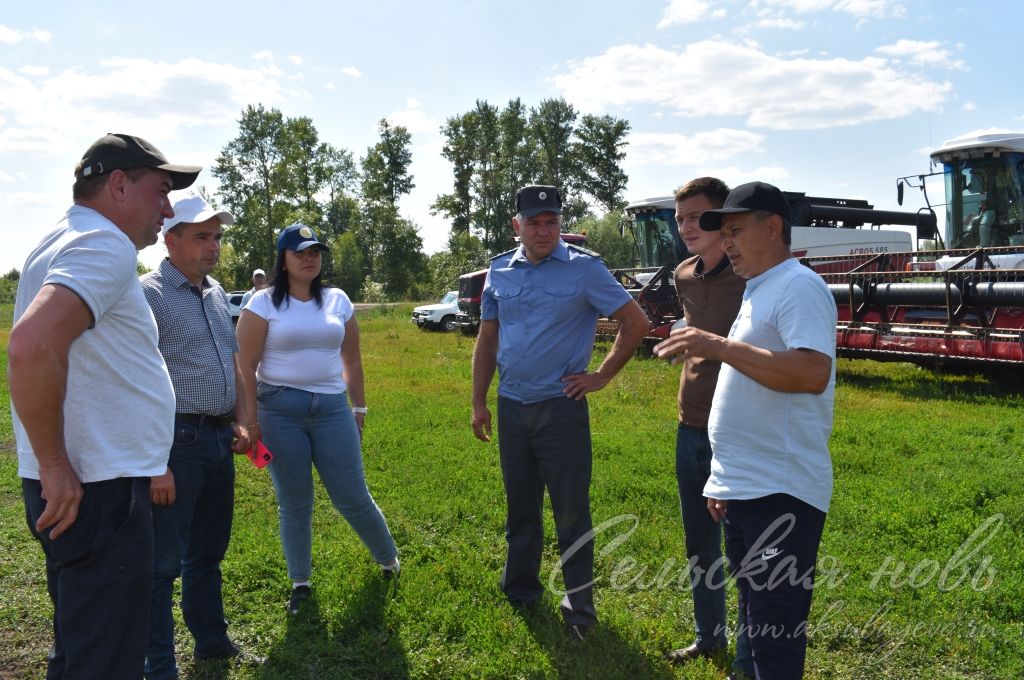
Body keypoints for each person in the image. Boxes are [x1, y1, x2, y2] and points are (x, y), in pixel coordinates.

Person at [8, 133, 200, 678]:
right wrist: (55, 464)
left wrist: (49, 468)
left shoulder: (57, 240)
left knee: (78, 647)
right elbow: (31, 345)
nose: (166, 211)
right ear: (118, 184)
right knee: (106, 660)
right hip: (99, 491)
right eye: (160, 191)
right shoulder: (103, 245)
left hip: (78, 486)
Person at [655, 182, 837, 679]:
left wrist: (716, 345)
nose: (727, 241)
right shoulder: (761, 288)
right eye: (724, 233)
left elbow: (809, 373)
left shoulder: (799, 286)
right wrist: (725, 481)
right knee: (758, 629)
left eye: (735, 229)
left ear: (773, 227)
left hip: (782, 492)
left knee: (774, 639)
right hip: (749, 488)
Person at [471, 185, 650, 640]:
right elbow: (487, 339)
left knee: (571, 513)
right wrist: (478, 401)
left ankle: (580, 609)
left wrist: (602, 375)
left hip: (560, 409)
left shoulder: (585, 270)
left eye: (551, 221)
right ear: (518, 226)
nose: (543, 230)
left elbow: (636, 322)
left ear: (561, 224)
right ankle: (521, 591)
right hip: (512, 406)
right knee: (521, 508)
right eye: (533, 222)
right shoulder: (498, 272)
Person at [235, 223, 399, 616]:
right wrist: (251, 422)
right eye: (299, 252)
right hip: (278, 411)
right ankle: (300, 583)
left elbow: (351, 359)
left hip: (330, 410)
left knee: (352, 494)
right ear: (283, 259)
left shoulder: (337, 300)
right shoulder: (261, 304)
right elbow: (245, 363)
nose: (309, 258)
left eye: (315, 251)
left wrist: (358, 408)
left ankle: (389, 561)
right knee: (295, 502)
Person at [140, 195, 255, 679]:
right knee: (163, 562)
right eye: (202, 237)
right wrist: (154, 462)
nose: (214, 247)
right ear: (171, 239)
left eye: (218, 238)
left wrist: (244, 419)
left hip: (217, 439)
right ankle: (158, 666)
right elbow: (137, 382)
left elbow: (234, 362)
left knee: (207, 551)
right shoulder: (147, 296)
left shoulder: (214, 292)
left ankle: (210, 641)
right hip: (175, 442)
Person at [661, 178, 754, 680]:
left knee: (743, 545)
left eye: (697, 217)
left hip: (738, 426)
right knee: (700, 541)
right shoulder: (684, 274)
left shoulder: (751, 277)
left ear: (723, 221)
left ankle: (750, 655)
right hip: (689, 423)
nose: (687, 227)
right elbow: (693, 324)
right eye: (680, 219)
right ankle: (708, 636)